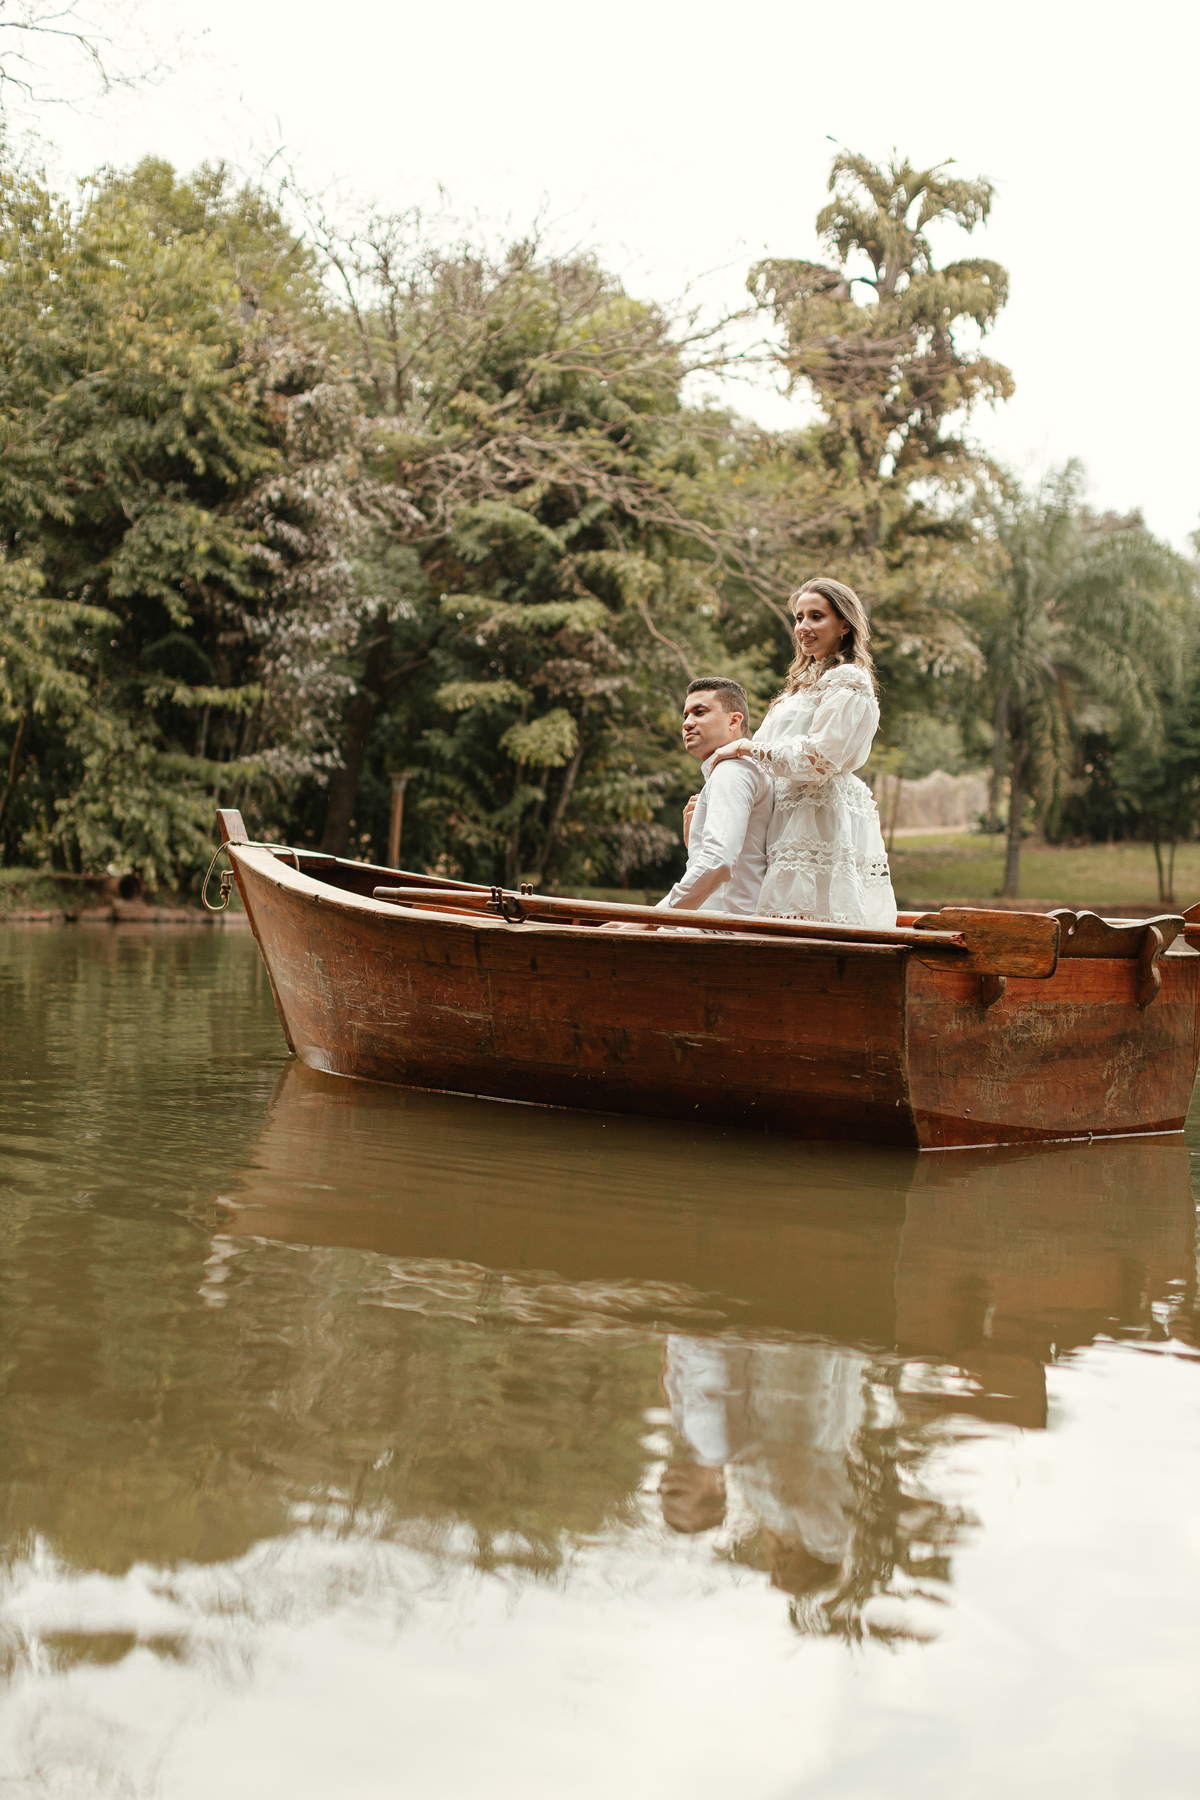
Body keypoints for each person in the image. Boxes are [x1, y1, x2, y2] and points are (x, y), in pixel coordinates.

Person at [707, 577, 896, 928]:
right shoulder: (804, 682)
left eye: (816, 616)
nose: (803, 627)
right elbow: (769, 749)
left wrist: (746, 747)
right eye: (798, 617)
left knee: (809, 920)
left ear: (844, 624)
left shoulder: (848, 679)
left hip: (817, 816)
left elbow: (819, 758)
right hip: (784, 813)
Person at [655, 677, 772, 919]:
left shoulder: (732, 771)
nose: (687, 723)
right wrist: (694, 842)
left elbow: (718, 861)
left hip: (721, 926)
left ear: (734, 721)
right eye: (686, 715)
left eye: (700, 712)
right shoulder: (742, 769)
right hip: (719, 921)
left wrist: (651, 920)